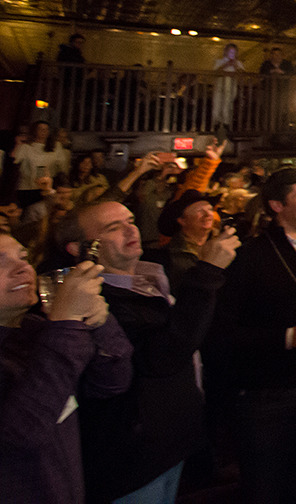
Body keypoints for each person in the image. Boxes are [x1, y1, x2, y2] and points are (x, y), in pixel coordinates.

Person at [58, 201, 239, 504]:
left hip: (170, 443)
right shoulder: (91, 299)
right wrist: (206, 273)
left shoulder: (150, 278)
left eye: (130, 220)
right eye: (112, 227)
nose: (131, 229)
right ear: (79, 247)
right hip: (131, 457)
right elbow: (161, 357)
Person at [211, 166, 296, 504]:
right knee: (265, 488)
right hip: (264, 395)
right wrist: (288, 337)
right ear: (276, 206)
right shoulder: (248, 254)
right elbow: (222, 332)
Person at [1, 229, 133, 504]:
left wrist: (99, 322)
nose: (22, 268)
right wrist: (66, 323)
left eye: (23, 257)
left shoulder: (34, 329)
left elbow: (112, 382)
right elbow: (22, 433)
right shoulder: (51, 333)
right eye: (0, 263)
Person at [158, 189, 223, 285]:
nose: (208, 214)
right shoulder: (167, 256)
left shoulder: (221, 247)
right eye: (200, 211)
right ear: (182, 221)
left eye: (210, 209)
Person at [211, 44, 244, 133]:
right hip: (219, 87)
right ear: (225, 52)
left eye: (234, 52)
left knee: (227, 105)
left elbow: (242, 75)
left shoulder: (238, 63)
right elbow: (214, 73)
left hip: (230, 88)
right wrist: (225, 65)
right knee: (217, 105)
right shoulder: (219, 61)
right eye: (230, 51)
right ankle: (216, 124)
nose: (232, 54)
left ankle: (226, 124)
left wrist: (235, 67)